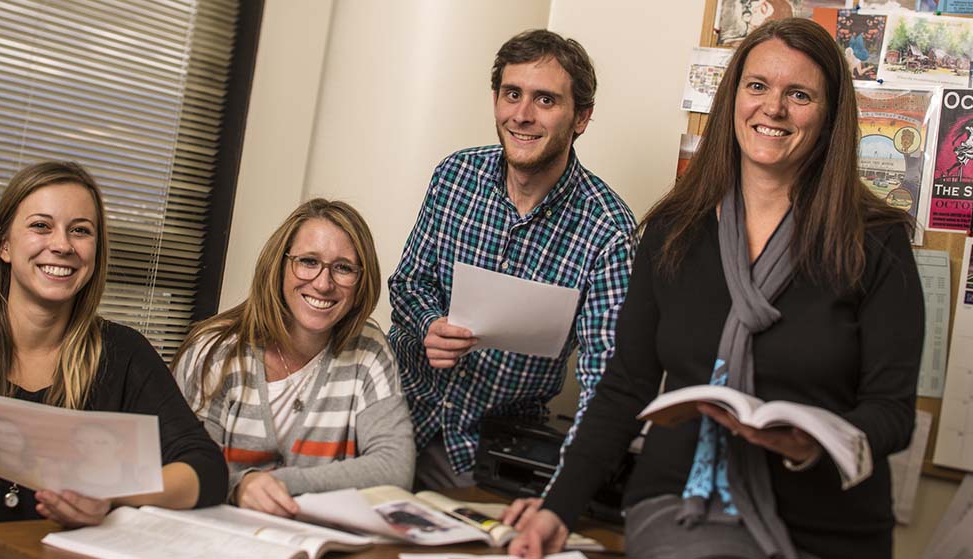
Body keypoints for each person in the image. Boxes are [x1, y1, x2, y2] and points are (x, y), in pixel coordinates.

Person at [507, 19, 924, 559]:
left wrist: (814, 442)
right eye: (758, 87)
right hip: (686, 505)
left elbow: (893, 414)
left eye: (798, 95)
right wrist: (555, 509)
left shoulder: (878, 242)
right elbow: (625, 386)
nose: (772, 109)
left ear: (829, 116)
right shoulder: (673, 230)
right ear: (733, 98)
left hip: (831, 526)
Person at [0, 161, 228, 531]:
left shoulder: (123, 352)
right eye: (41, 226)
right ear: (4, 244)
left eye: (80, 231)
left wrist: (114, 495)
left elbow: (206, 470)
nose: (62, 245)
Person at [388, 29, 636, 491]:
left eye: (545, 100)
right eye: (511, 94)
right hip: (396, 414)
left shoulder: (609, 231)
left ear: (581, 117)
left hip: (487, 450)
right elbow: (407, 285)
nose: (521, 115)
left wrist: (567, 487)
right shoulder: (454, 176)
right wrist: (428, 325)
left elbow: (607, 375)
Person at [173, 199, 414, 518]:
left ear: (361, 280)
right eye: (308, 261)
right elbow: (184, 467)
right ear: (280, 264)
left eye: (343, 268)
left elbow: (395, 468)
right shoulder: (215, 350)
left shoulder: (368, 348)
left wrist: (276, 483)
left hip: (316, 541)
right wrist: (240, 487)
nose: (324, 283)